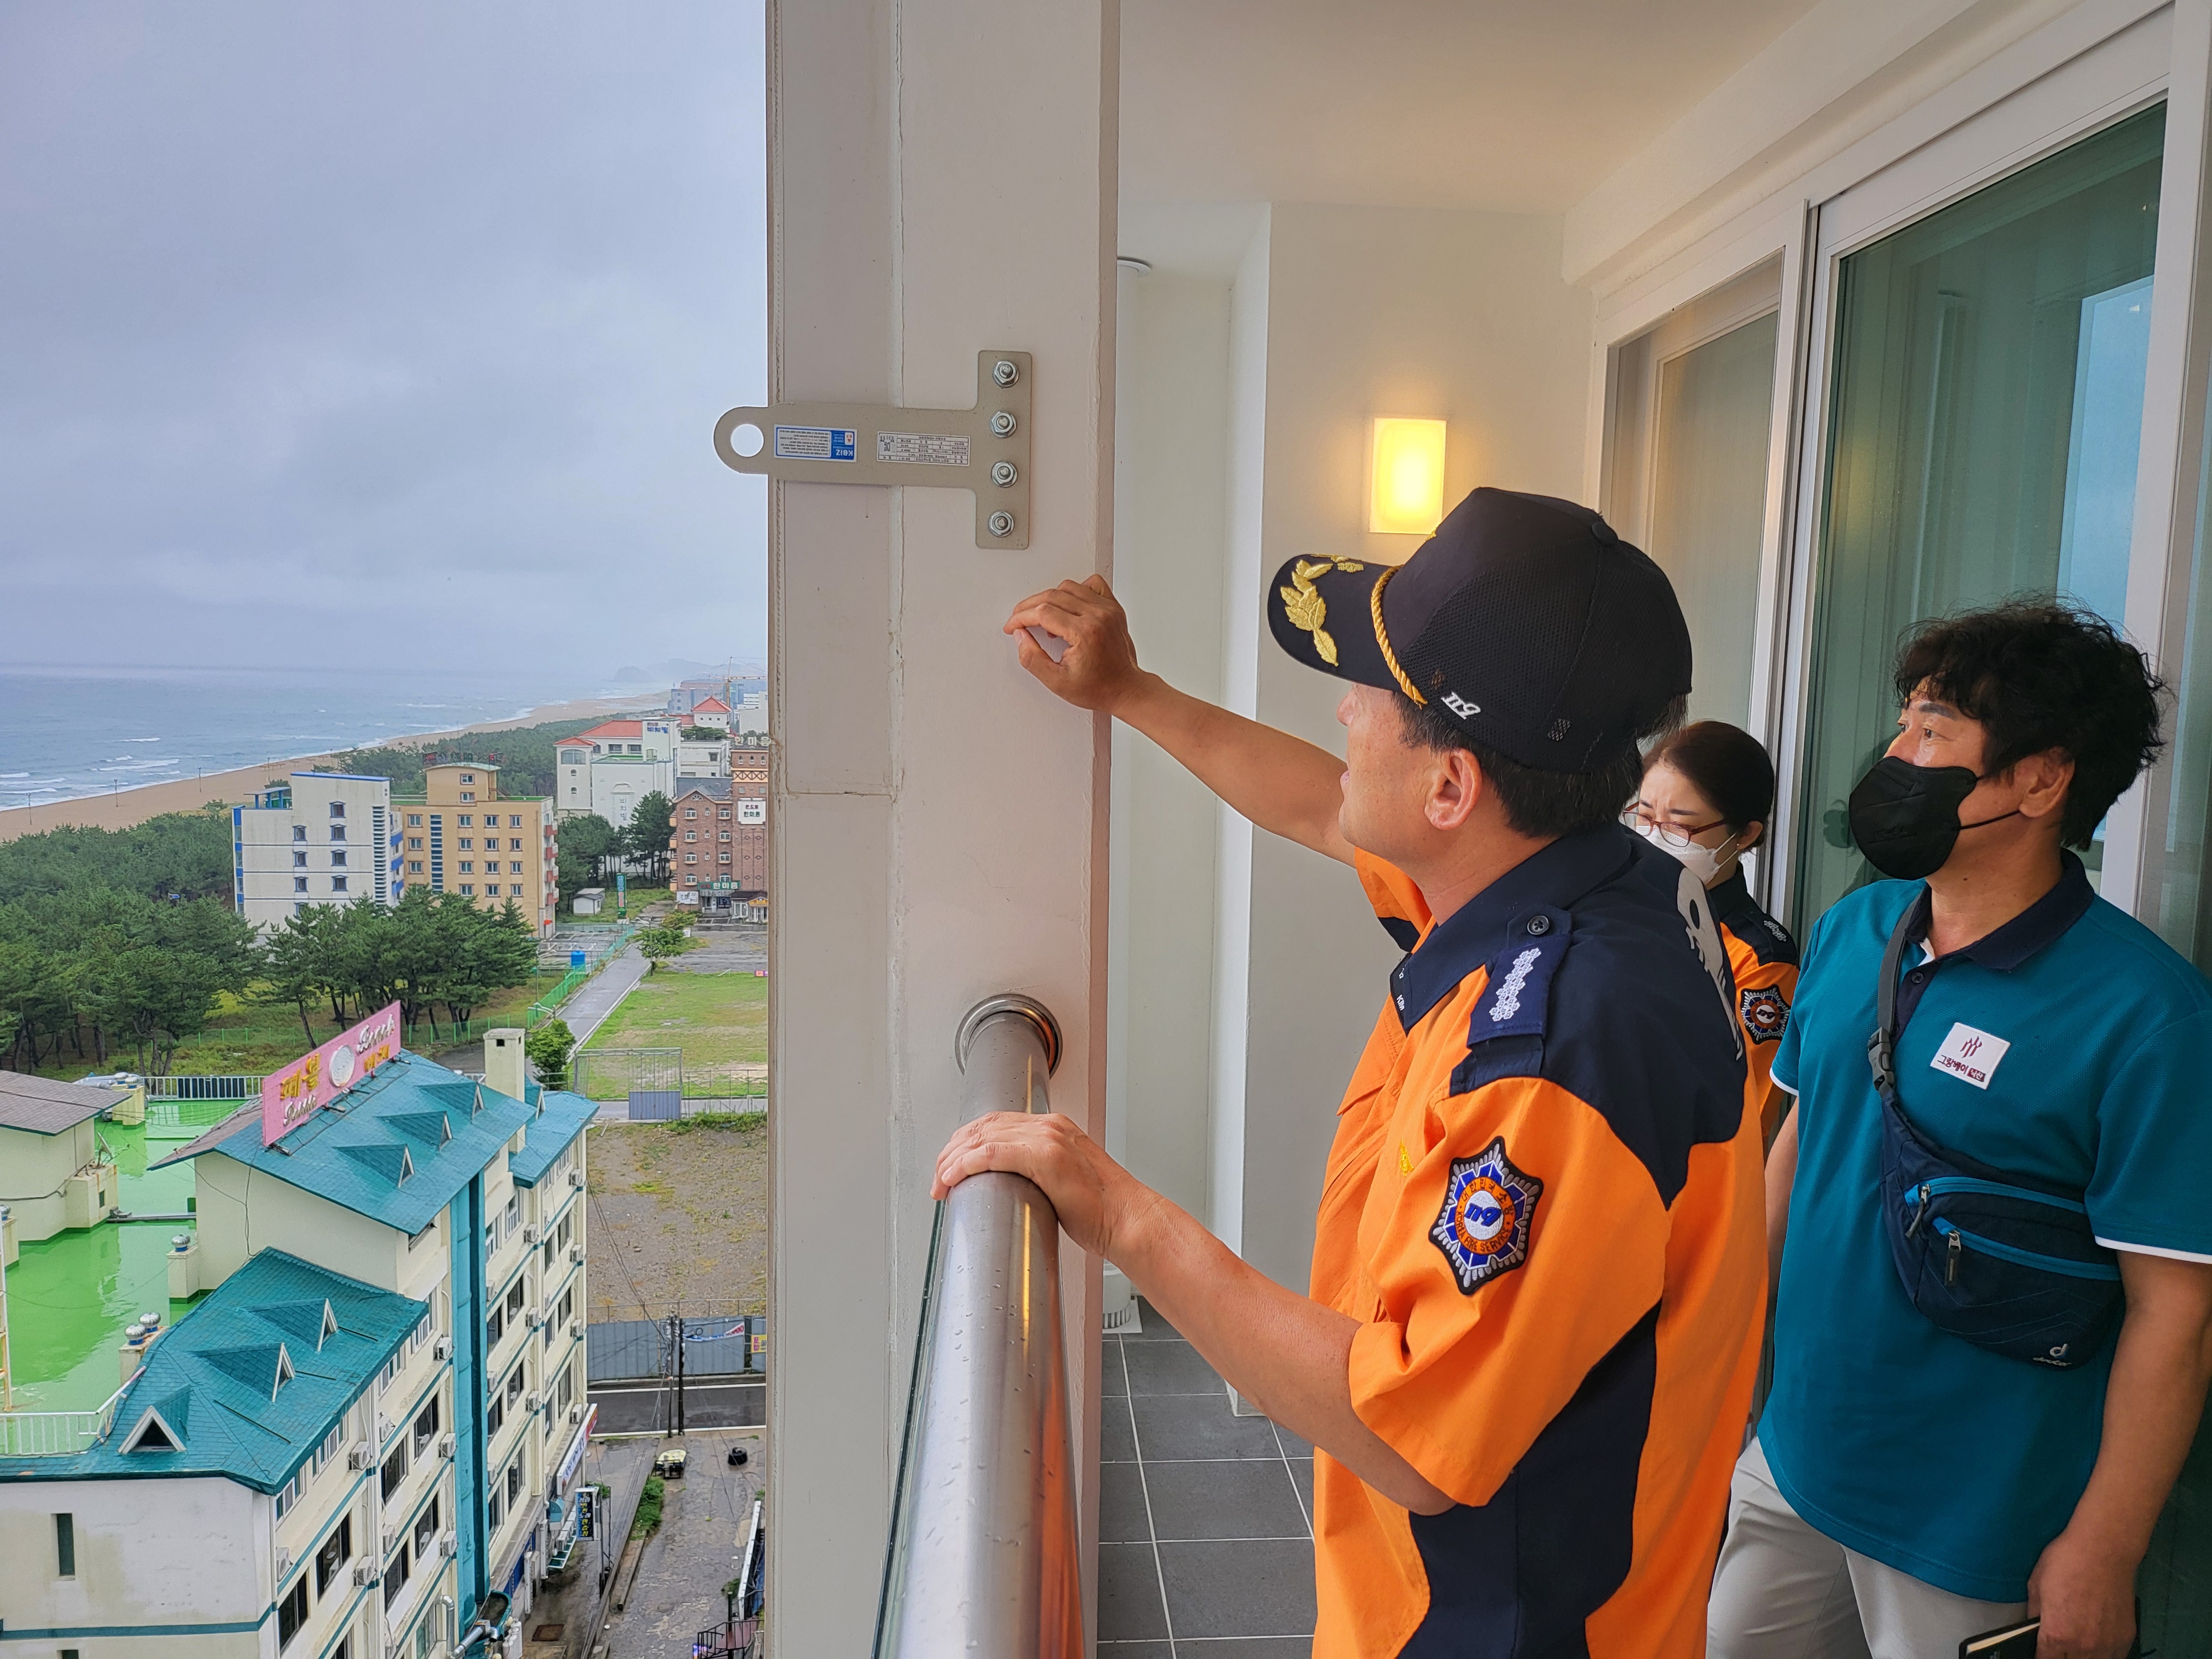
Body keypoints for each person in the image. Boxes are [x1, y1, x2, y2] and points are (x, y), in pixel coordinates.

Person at [934, 488, 1768, 1656]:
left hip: (1501, 1626)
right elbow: (1317, 807)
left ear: (1449, 789)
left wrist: (1122, 1216)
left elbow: (1408, 1429)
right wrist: (1130, 691)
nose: (1343, 710)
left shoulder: (1554, 1054)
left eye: (1372, 692)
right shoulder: (1595, 876)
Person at [1706, 601, 2212, 1659]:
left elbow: (2176, 1312)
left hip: (1978, 1526)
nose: (1896, 755)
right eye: (1905, 724)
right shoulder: (1855, 929)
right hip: (1793, 1457)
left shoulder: (2147, 1015)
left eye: (1933, 731)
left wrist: (2107, 1546)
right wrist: (1728, 1366)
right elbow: (1796, 1151)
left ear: (2042, 780)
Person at [1626, 722, 1799, 1147]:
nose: (1653, 838)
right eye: (1644, 817)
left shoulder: (1759, 959)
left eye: (1679, 827)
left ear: (1745, 834)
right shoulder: (1611, 912)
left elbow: (1740, 1114)